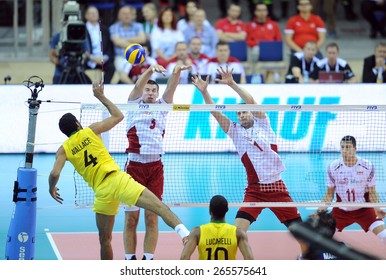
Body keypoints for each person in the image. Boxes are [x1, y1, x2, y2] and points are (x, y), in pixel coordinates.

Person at [48, 80, 190, 260]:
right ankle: (184, 234)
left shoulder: (63, 149)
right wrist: (100, 96)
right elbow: (118, 115)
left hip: (101, 191)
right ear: (78, 124)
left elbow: (54, 174)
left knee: (104, 239)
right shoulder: (90, 131)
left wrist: (51, 187)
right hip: (117, 180)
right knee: (159, 207)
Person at [191, 66, 304, 256]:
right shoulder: (235, 132)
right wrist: (205, 91)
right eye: (239, 113)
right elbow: (215, 113)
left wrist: (232, 83)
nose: (242, 115)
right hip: (255, 191)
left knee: (300, 231)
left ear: (251, 113)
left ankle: (308, 259)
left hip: (277, 188)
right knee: (237, 233)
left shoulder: (264, 124)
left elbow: (250, 100)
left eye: (245, 112)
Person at [123, 63, 192, 261]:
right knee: (131, 219)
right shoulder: (133, 103)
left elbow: (171, 87)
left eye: (154, 90)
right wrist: (151, 70)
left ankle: (148, 259)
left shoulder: (162, 107)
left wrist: (177, 72)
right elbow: (137, 86)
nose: (151, 93)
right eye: (148, 89)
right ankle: (130, 260)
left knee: (152, 217)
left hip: (155, 168)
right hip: (134, 168)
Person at [316, 135, 386, 245]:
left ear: (355, 149)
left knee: (384, 235)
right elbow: (329, 194)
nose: (344, 150)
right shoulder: (333, 167)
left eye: (348, 147)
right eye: (342, 147)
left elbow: (372, 192)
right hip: (341, 211)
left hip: (365, 210)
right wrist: (319, 211)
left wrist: (377, 209)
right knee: (318, 238)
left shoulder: (367, 166)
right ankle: (303, 258)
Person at [180, 195, 254, 260]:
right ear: (227, 210)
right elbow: (249, 259)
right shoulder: (238, 233)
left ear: (209, 210)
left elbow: (184, 258)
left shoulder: (197, 232)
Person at [109, 5, 146, 81]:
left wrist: (123, 40)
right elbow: (117, 42)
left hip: (138, 56)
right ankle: (133, 87)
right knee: (121, 71)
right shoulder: (114, 27)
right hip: (121, 57)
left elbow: (142, 39)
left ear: (132, 15)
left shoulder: (138, 26)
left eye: (128, 14)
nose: (127, 16)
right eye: (124, 14)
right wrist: (135, 43)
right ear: (119, 16)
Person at [246, 2, 282, 74]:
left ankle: (274, 76)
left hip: (270, 50)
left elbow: (279, 40)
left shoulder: (274, 24)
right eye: (259, 10)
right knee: (255, 50)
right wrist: (260, 44)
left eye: (263, 10)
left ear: (267, 12)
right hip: (256, 51)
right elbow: (247, 41)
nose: (261, 13)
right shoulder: (250, 25)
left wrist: (267, 46)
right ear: (255, 12)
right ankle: (255, 75)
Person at [84, 6, 115, 84]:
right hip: (88, 59)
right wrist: (91, 57)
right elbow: (80, 47)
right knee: (78, 70)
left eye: (95, 13)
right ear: (86, 16)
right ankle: (88, 87)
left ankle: (104, 87)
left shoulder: (104, 29)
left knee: (111, 68)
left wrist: (105, 57)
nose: (93, 15)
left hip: (103, 59)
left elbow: (109, 47)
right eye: (91, 13)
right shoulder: (82, 29)